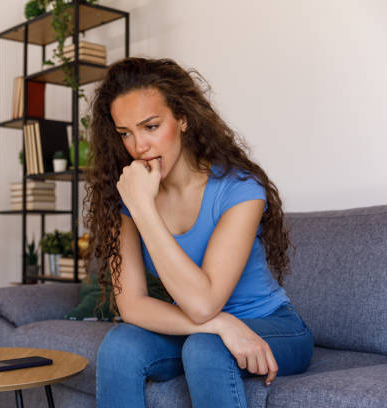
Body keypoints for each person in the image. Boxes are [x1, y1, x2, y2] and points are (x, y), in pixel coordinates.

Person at [83, 57, 314, 408]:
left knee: (206, 349)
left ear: (183, 119)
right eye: (125, 133)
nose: (138, 146)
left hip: (272, 325)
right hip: (200, 327)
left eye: (151, 126)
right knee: (120, 346)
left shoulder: (240, 190)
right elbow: (131, 305)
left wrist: (144, 209)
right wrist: (222, 326)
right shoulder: (130, 196)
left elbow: (203, 302)